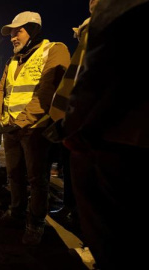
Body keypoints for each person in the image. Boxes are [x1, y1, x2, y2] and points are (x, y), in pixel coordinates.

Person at [61, 0, 149, 268]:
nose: (90, 1)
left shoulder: (118, 7)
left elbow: (96, 74)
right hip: (125, 133)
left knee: (112, 236)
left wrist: (74, 127)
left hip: (113, 138)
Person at [0, 11, 70, 245]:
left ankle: (35, 223)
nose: (12, 37)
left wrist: (18, 123)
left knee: (37, 179)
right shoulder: (12, 61)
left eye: (17, 31)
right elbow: (1, 90)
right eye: (11, 33)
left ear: (33, 30)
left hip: (36, 130)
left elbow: (48, 91)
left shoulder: (54, 50)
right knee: (14, 175)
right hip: (12, 129)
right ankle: (17, 212)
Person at [45, 0, 100, 232]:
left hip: (86, 122)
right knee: (72, 170)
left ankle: (83, 221)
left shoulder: (102, 26)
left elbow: (84, 82)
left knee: (89, 178)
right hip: (79, 120)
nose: (91, 2)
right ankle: (72, 207)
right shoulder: (96, 27)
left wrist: (66, 120)